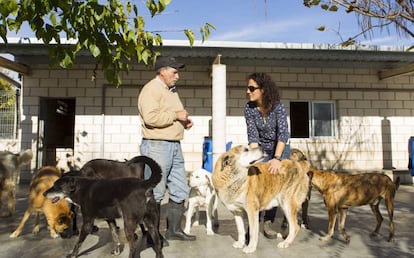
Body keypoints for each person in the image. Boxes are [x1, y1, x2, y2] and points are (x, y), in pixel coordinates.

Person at [137, 56, 196, 241]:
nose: (177, 76)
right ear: (162, 71)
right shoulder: (151, 89)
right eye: (174, 71)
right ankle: (151, 235)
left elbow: (171, 116)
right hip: (157, 147)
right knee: (155, 192)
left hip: (174, 145)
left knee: (180, 188)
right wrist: (176, 115)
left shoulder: (170, 91)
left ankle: (174, 230)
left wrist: (183, 122)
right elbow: (150, 118)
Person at [244, 72, 290, 239]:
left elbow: (283, 134)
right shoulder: (249, 108)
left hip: (279, 148)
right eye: (247, 88)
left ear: (263, 90)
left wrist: (277, 159)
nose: (248, 91)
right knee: (256, 183)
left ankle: (269, 222)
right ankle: (253, 222)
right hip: (261, 149)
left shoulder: (278, 106)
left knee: (273, 184)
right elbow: (253, 136)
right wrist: (256, 160)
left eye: (251, 88)